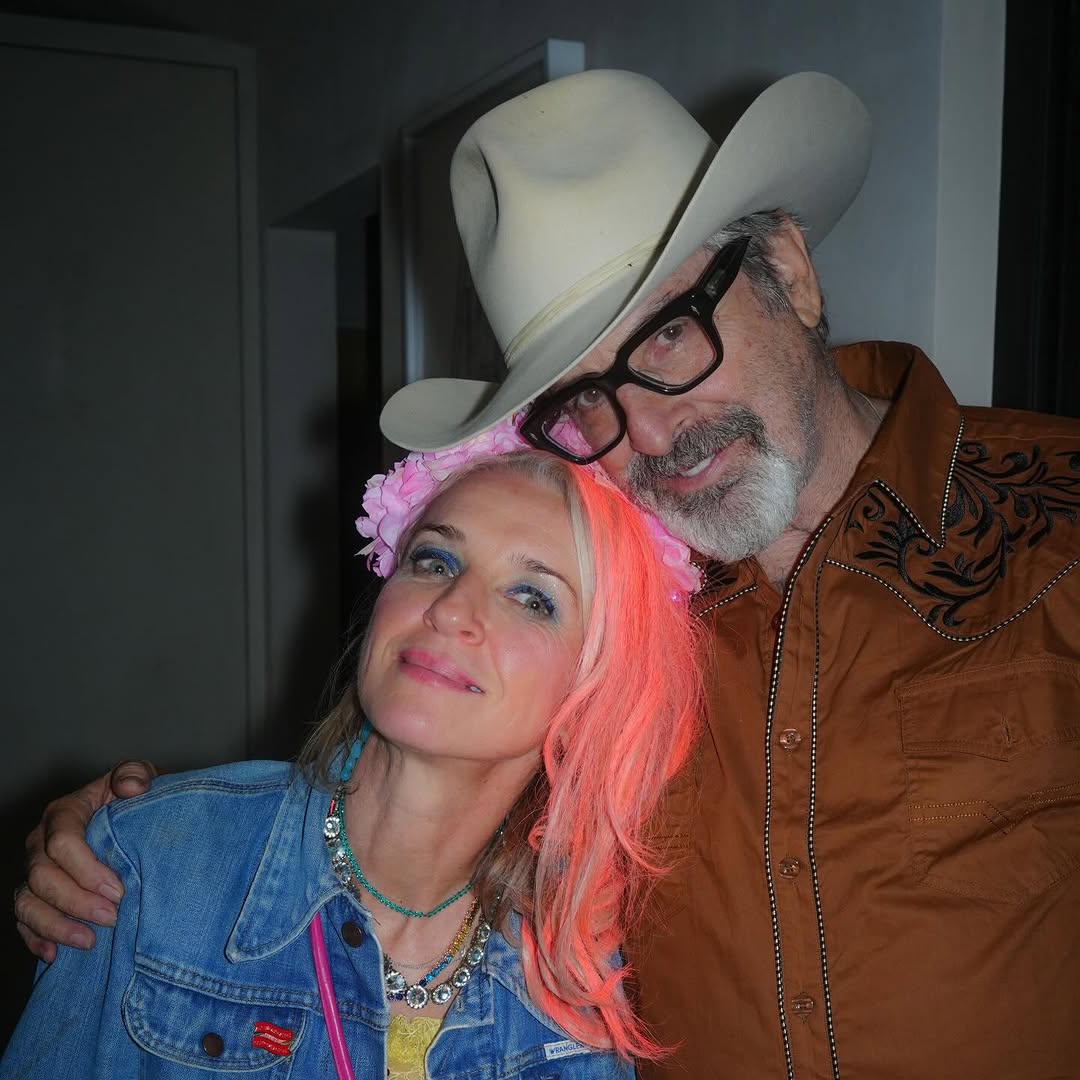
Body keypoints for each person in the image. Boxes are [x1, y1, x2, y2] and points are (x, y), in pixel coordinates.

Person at [18, 69, 1080, 1079]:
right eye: (584, 400)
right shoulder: (622, 585)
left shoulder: (1058, 527)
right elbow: (421, 788)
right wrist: (133, 847)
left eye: (667, 335)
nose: (652, 431)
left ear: (789, 270)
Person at [3, 427, 703, 1078]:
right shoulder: (152, 862)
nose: (451, 608)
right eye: (435, 559)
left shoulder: (575, 976)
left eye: (532, 598)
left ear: (597, 685)